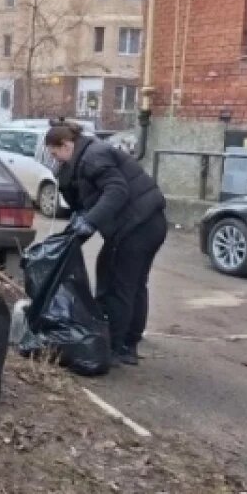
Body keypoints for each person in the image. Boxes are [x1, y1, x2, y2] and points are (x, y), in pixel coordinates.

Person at [46, 121, 167, 367]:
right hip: (148, 223)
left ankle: (117, 346)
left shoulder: (92, 158)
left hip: (136, 228)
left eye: (55, 153)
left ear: (67, 145)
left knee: (118, 284)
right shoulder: (88, 155)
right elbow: (89, 200)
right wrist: (76, 229)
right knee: (129, 282)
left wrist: (89, 222)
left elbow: (117, 191)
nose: (55, 159)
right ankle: (128, 342)